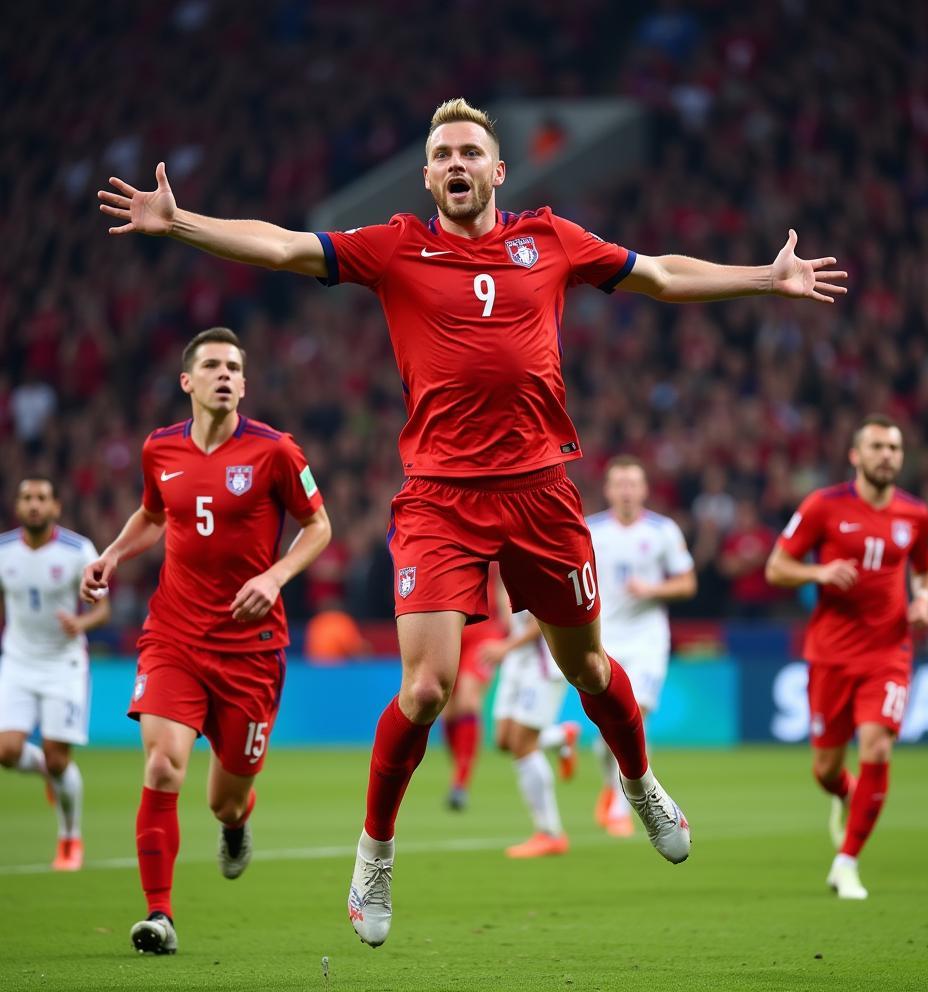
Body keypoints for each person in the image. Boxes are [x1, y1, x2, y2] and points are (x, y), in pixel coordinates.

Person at [98, 97, 846, 948]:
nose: (456, 164)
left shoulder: (552, 239)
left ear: (498, 170)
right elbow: (283, 244)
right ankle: (375, 853)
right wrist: (181, 221)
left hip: (541, 493)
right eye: (442, 154)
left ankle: (638, 782)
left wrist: (763, 276)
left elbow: (663, 274)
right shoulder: (394, 246)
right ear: (428, 175)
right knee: (425, 690)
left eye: (470, 153)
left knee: (590, 670)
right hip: (439, 501)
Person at [80, 327, 330, 955]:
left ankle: (238, 824)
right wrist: (112, 555)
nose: (225, 374)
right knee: (163, 765)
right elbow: (154, 514)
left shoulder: (276, 452)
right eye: (213, 365)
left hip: (250, 651)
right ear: (188, 381)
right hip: (175, 636)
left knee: (225, 799)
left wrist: (275, 577)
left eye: (235, 367)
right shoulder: (159, 449)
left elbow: (318, 527)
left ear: (244, 384)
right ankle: (159, 916)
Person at [765, 414, 928, 900]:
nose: (888, 455)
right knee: (824, 769)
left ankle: (847, 862)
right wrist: (819, 575)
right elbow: (776, 568)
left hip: (889, 651)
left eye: (895, 448)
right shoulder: (824, 505)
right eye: (878, 446)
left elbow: (926, 570)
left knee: (877, 746)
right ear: (855, 456)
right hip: (831, 654)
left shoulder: (916, 515)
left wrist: (922, 601)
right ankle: (845, 793)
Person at [0, 478, 110, 870]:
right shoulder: (3, 551)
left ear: (56, 508)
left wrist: (82, 625)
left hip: (63, 663)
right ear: (17, 506)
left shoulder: (78, 550)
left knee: (59, 760)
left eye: (42, 499)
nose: (34, 505)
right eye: (27, 498)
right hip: (17, 660)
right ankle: (47, 772)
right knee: (6, 751)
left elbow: (102, 608)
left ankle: (69, 839)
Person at [587, 456, 697, 837]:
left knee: (639, 712)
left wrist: (652, 589)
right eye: (620, 484)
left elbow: (687, 583)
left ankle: (620, 806)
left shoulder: (663, 530)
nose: (627, 491)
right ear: (608, 490)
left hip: (648, 636)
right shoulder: (590, 531)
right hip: (604, 637)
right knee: (610, 726)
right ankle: (610, 789)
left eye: (633, 484)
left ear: (645, 490)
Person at [488, 591, 580, 858]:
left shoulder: (534, 556)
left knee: (522, 744)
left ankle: (550, 833)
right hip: (517, 660)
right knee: (504, 740)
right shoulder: (502, 560)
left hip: (542, 661)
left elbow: (542, 623)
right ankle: (561, 737)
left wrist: (505, 646)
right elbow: (507, 602)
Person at [441, 563, 505, 811]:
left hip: (486, 631)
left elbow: (502, 583)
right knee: (448, 710)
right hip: (452, 628)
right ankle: (459, 771)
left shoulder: (494, 537)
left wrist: (508, 627)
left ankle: (461, 782)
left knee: (469, 700)